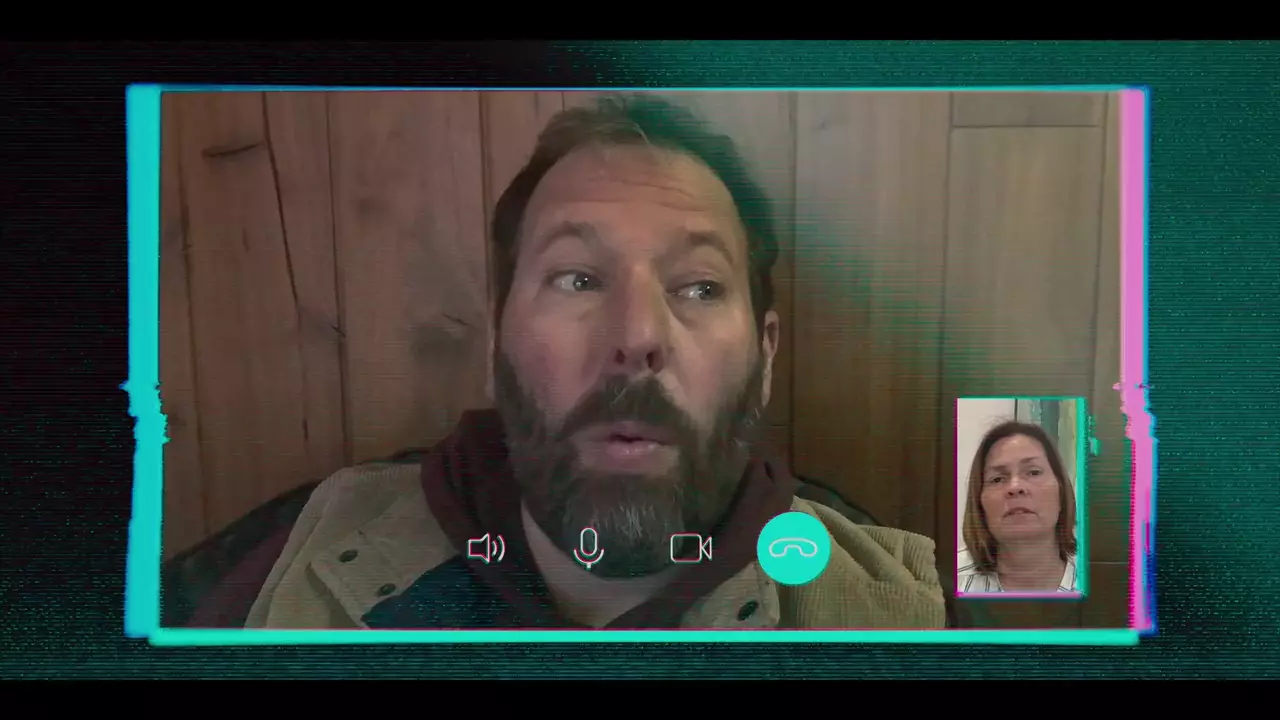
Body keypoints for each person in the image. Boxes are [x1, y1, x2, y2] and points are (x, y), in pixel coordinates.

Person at [238, 93, 947, 629]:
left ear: (765, 357)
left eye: (699, 287)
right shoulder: (290, 565)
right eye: (577, 278)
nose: (636, 336)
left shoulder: (909, 622)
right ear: (496, 344)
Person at [957, 420, 1080, 594]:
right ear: (979, 503)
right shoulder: (942, 580)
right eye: (997, 479)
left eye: (1033, 472)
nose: (1015, 487)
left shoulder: (1109, 581)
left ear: (1061, 491)